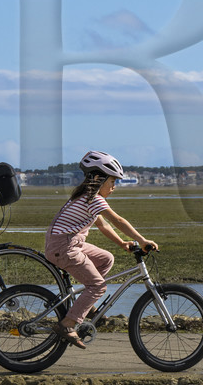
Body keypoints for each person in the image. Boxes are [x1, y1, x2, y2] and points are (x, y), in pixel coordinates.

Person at [43, 150, 158, 350]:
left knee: (106, 259)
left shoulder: (87, 197)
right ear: (99, 178)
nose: (114, 187)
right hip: (64, 246)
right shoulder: (92, 199)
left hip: (70, 243)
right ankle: (67, 324)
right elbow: (118, 220)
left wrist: (123, 243)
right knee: (98, 287)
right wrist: (142, 239)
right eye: (112, 182)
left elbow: (104, 226)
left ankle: (84, 305)